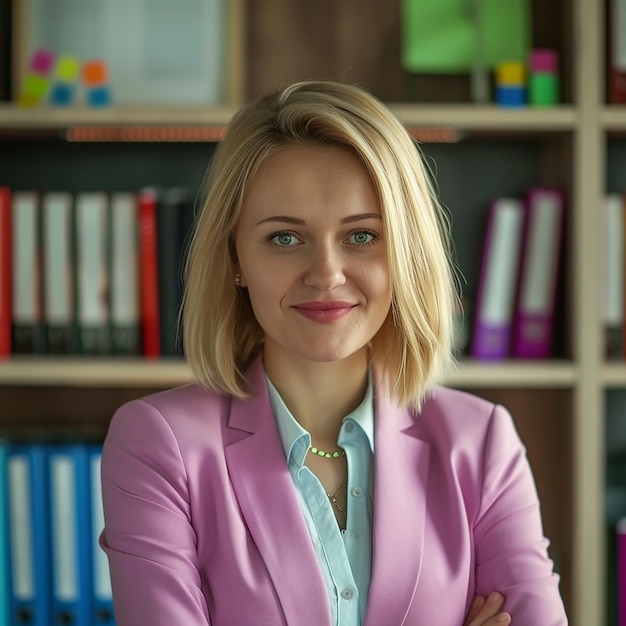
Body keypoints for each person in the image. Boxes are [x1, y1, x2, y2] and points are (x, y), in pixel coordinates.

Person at [100, 80, 568, 626]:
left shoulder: (482, 442)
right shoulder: (158, 446)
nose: (326, 274)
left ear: (404, 253)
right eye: (284, 238)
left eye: (362, 236)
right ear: (234, 259)